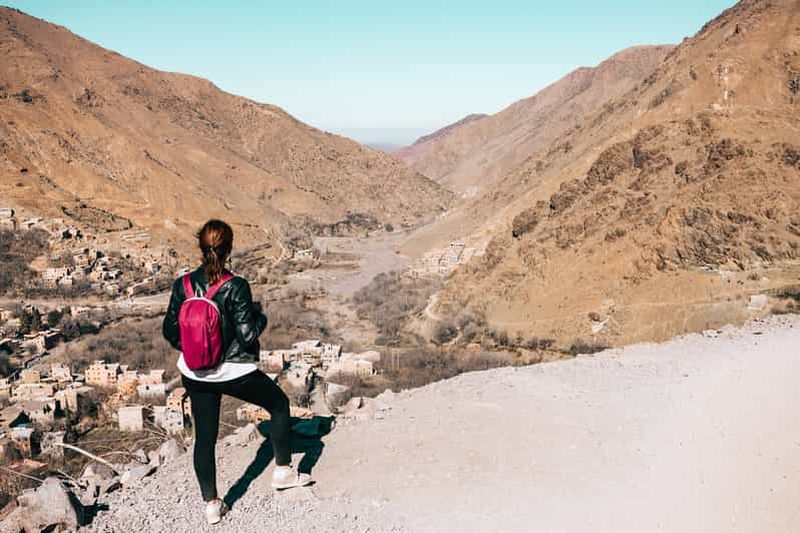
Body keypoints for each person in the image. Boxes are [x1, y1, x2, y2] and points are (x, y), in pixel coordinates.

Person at [162, 219, 311, 525]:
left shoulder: (183, 285)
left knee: (204, 438)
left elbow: (170, 331)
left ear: (201, 247)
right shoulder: (235, 286)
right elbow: (247, 335)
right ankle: (283, 471)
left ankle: (212, 505)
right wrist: (261, 316)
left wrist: (197, 349)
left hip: (194, 372)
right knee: (279, 405)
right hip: (233, 370)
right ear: (229, 248)